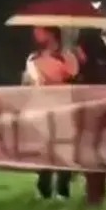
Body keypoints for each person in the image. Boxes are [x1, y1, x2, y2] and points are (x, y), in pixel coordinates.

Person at [22, 26, 79, 200]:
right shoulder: (34, 57)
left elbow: (74, 79)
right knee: (43, 150)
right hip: (41, 108)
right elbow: (26, 83)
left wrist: (55, 80)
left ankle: (62, 189)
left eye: (40, 31)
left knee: (62, 148)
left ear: (51, 33)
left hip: (63, 108)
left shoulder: (67, 56)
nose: (36, 34)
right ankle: (43, 187)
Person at [74, 30, 106, 206]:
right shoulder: (103, 67)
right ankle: (96, 192)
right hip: (102, 117)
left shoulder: (89, 71)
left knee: (91, 156)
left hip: (90, 117)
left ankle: (94, 194)